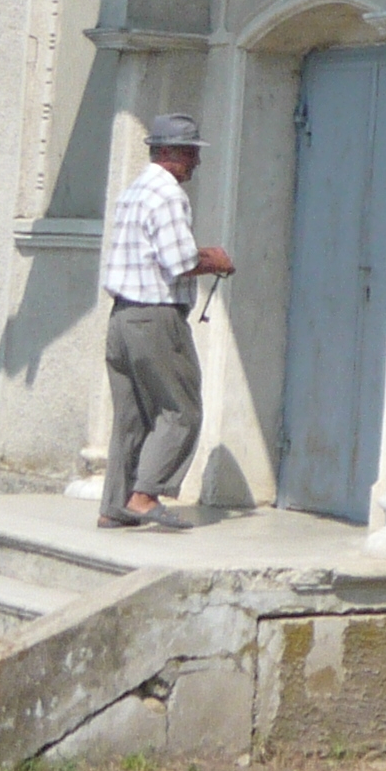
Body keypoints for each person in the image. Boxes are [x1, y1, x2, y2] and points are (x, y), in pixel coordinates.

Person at [97, 112, 236, 530]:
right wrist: (216, 260)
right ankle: (144, 496)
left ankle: (115, 507)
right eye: (191, 152)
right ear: (170, 152)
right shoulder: (169, 195)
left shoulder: (134, 191)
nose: (197, 161)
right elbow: (180, 262)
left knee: (132, 417)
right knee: (182, 410)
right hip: (156, 317)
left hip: (121, 318)